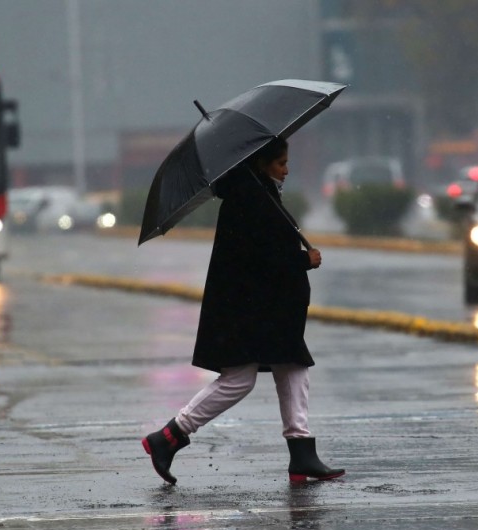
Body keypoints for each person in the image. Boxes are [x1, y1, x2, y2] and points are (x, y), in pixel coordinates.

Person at [142, 136, 345, 485]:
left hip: (264, 309)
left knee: (293, 367)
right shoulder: (249, 196)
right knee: (239, 380)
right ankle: (169, 437)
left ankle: (302, 454)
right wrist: (303, 260)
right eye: (281, 162)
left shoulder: (258, 191)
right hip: (248, 311)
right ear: (261, 163)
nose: (287, 168)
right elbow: (262, 257)